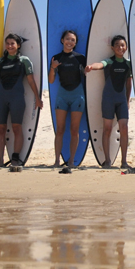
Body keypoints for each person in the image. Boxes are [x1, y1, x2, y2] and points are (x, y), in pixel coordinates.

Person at [0, 33, 41, 168]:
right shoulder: (0, 61)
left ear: (18, 45)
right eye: (7, 43)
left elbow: (31, 81)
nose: (9, 46)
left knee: (16, 128)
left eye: (12, 43)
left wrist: (37, 98)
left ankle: (15, 158)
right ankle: (1, 160)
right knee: (0, 129)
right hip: (1, 98)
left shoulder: (24, 60)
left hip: (17, 98)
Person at [84, 34, 133, 169]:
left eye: (122, 45)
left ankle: (124, 161)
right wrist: (91, 67)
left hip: (122, 100)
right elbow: (100, 64)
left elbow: (129, 84)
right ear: (112, 48)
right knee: (107, 129)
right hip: (108, 99)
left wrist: (128, 100)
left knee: (124, 128)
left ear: (126, 47)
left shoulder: (128, 64)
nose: (120, 47)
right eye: (117, 45)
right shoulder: (109, 62)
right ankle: (107, 160)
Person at [48, 29, 86, 169]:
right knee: (60, 129)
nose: (70, 42)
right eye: (68, 39)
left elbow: (86, 75)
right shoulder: (56, 58)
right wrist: (53, 68)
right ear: (62, 40)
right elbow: (51, 81)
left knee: (74, 129)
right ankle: (57, 161)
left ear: (75, 43)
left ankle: (71, 161)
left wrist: (87, 71)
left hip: (77, 95)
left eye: (73, 40)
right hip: (62, 95)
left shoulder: (80, 58)